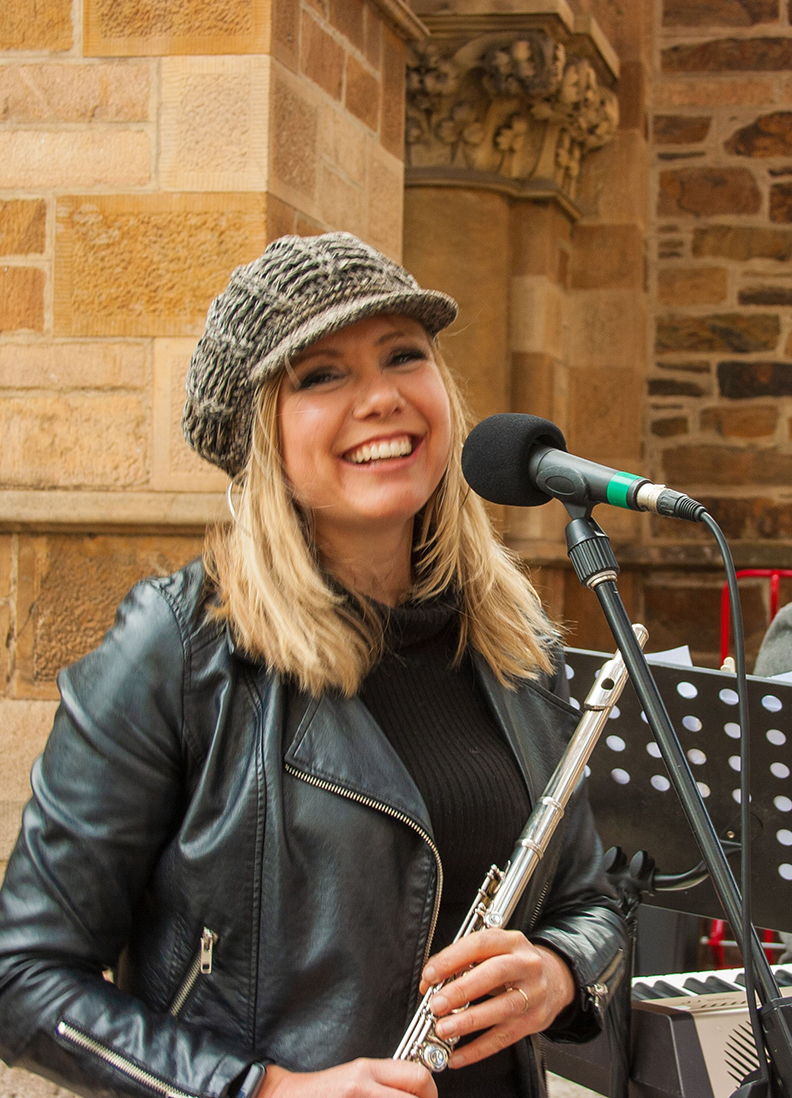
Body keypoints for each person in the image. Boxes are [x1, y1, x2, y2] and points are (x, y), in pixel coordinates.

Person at [0, 233, 625, 1098]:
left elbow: (589, 900)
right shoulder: (181, 647)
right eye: (322, 375)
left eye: (404, 356)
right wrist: (265, 1090)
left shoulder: (517, 645)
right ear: (263, 441)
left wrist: (558, 971)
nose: (381, 399)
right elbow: (24, 981)